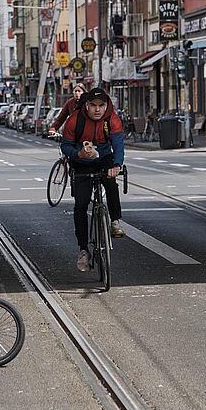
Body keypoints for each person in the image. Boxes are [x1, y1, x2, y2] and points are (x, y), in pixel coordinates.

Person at [60, 88, 126, 272]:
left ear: (106, 106)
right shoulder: (75, 120)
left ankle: (115, 221)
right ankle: (83, 249)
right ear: (87, 105)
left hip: (104, 157)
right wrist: (78, 153)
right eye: (94, 106)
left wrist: (117, 165)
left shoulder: (111, 118)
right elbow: (65, 146)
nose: (98, 110)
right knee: (80, 205)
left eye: (102, 106)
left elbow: (118, 144)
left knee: (111, 183)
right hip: (81, 161)